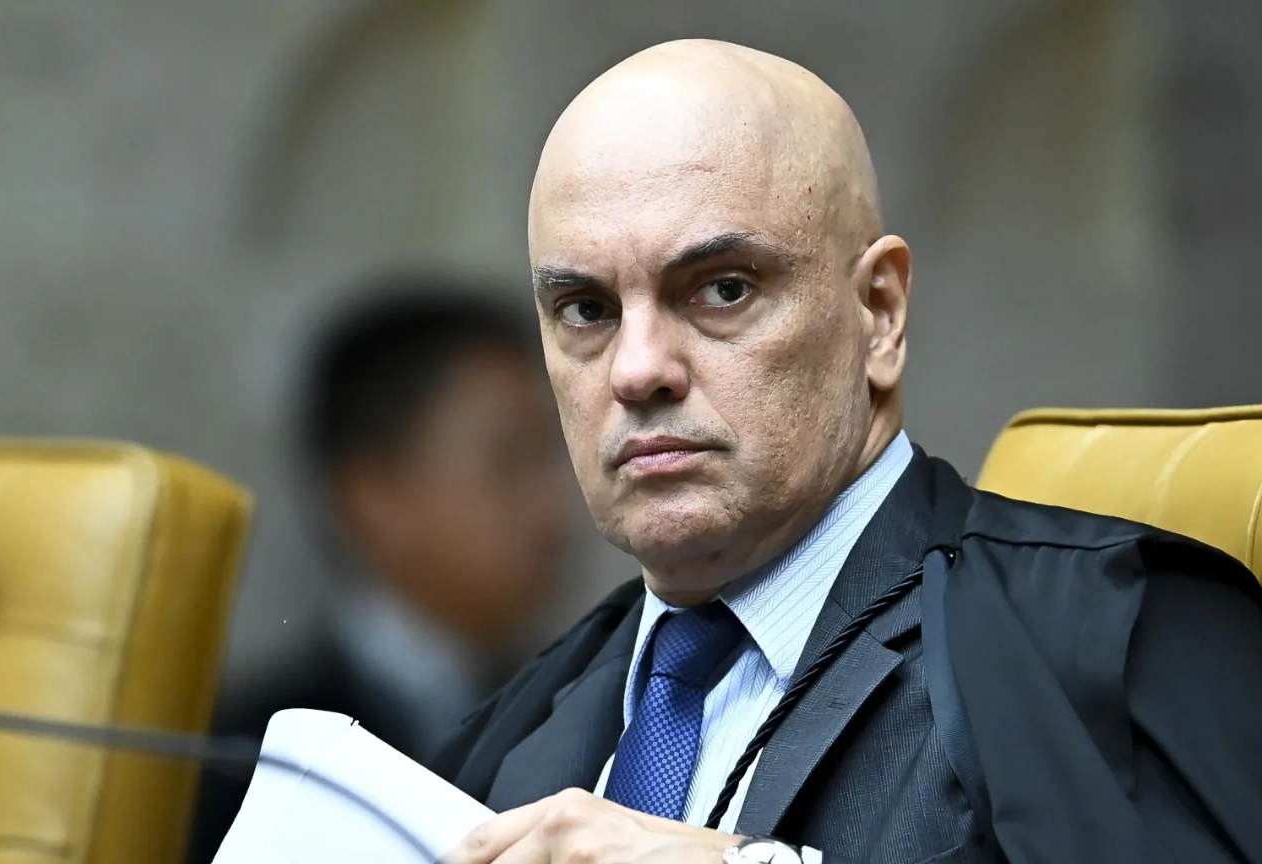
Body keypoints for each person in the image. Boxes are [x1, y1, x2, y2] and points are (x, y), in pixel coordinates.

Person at [433, 39, 1262, 864]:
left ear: (880, 312)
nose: (637, 369)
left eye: (723, 289)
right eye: (586, 310)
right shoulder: (504, 740)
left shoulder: (1112, 638)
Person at [184, 283, 573, 864]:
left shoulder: (577, 710)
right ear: (373, 495)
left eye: (552, 458)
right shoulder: (250, 758)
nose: (554, 508)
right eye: (507, 461)